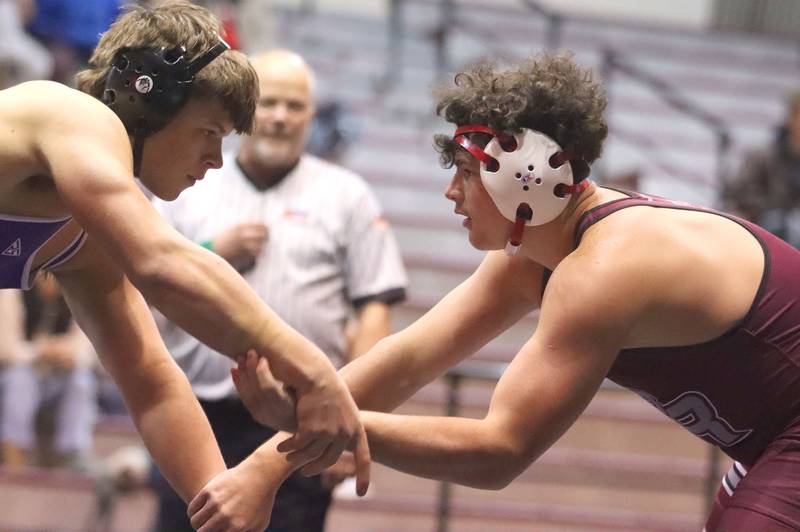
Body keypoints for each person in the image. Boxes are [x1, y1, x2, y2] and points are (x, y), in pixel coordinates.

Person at [191, 52, 800, 531]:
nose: (450, 194)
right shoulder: (538, 256)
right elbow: (407, 359)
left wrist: (319, 420)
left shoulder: (605, 267)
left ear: (526, 174)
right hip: (770, 439)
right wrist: (264, 467)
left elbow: (499, 451)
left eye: (464, 170)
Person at [0, 1, 368, 529]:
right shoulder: (70, 113)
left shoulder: (88, 235)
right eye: (210, 132)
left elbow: (151, 379)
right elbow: (162, 262)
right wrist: (312, 369)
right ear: (147, 97)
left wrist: (220, 505)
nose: (217, 161)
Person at [150, 49, 407, 532]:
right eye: (268, 104)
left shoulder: (347, 195)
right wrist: (210, 250)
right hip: (194, 411)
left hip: (299, 419)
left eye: (294, 106)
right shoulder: (191, 178)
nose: (279, 117)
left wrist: (350, 415)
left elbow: (374, 307)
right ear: (246, 108)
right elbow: (150, 276)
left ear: (311, 114)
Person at [0, 276, 96, 469]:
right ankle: (14, 454)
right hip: (20, 372)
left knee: (81, 381)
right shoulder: (11, 292)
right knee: (20, 380)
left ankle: (73, 455)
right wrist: (40, 351)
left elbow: (87, 351)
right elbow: (5, 349)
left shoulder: (80, 293)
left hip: (59, 376)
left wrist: (67, 353)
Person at [722, 89, 800, 248]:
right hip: (763, 234)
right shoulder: (762, 156)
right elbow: (737, 195)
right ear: (791, 118)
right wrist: (773, 213)